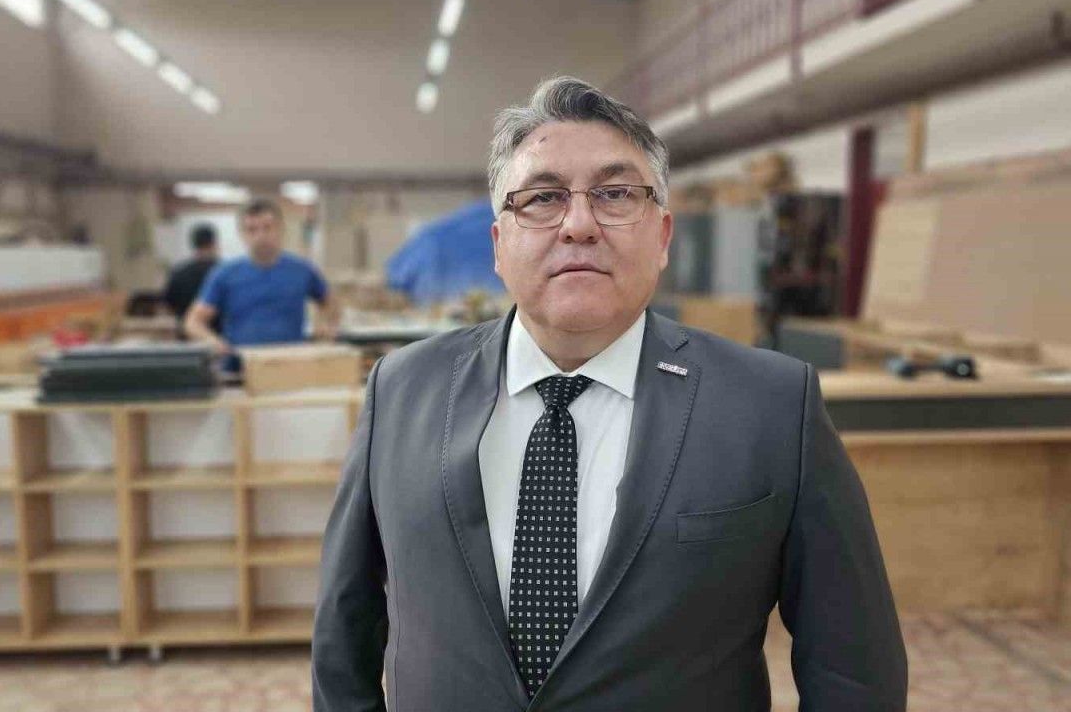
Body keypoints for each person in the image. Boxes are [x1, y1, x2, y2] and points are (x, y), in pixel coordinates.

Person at [312, 77, 907, 711]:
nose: (579, 225)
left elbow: (854, 668)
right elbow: (346, 631)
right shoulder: (401, 392)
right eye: (542, 198)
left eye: (616, 194)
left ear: (663, 236)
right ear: (499, 244)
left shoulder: (772, 406)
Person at [184, 199, 338, 369]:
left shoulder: (303, 270)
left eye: (267, 228)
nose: (260, 236)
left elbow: (330, 303)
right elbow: (193, 322)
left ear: (280, 229)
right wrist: (214, 342)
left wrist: (325, 326)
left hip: (292, 366)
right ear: (242, 234)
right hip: (240, 369)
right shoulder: (224, 274)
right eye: (252, 230)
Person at [162, 223, 221, 338]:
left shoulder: (178, 272)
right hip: (218, 338)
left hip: (186, 337)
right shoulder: (224, 272)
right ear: (214, 243)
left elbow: (168, 305)